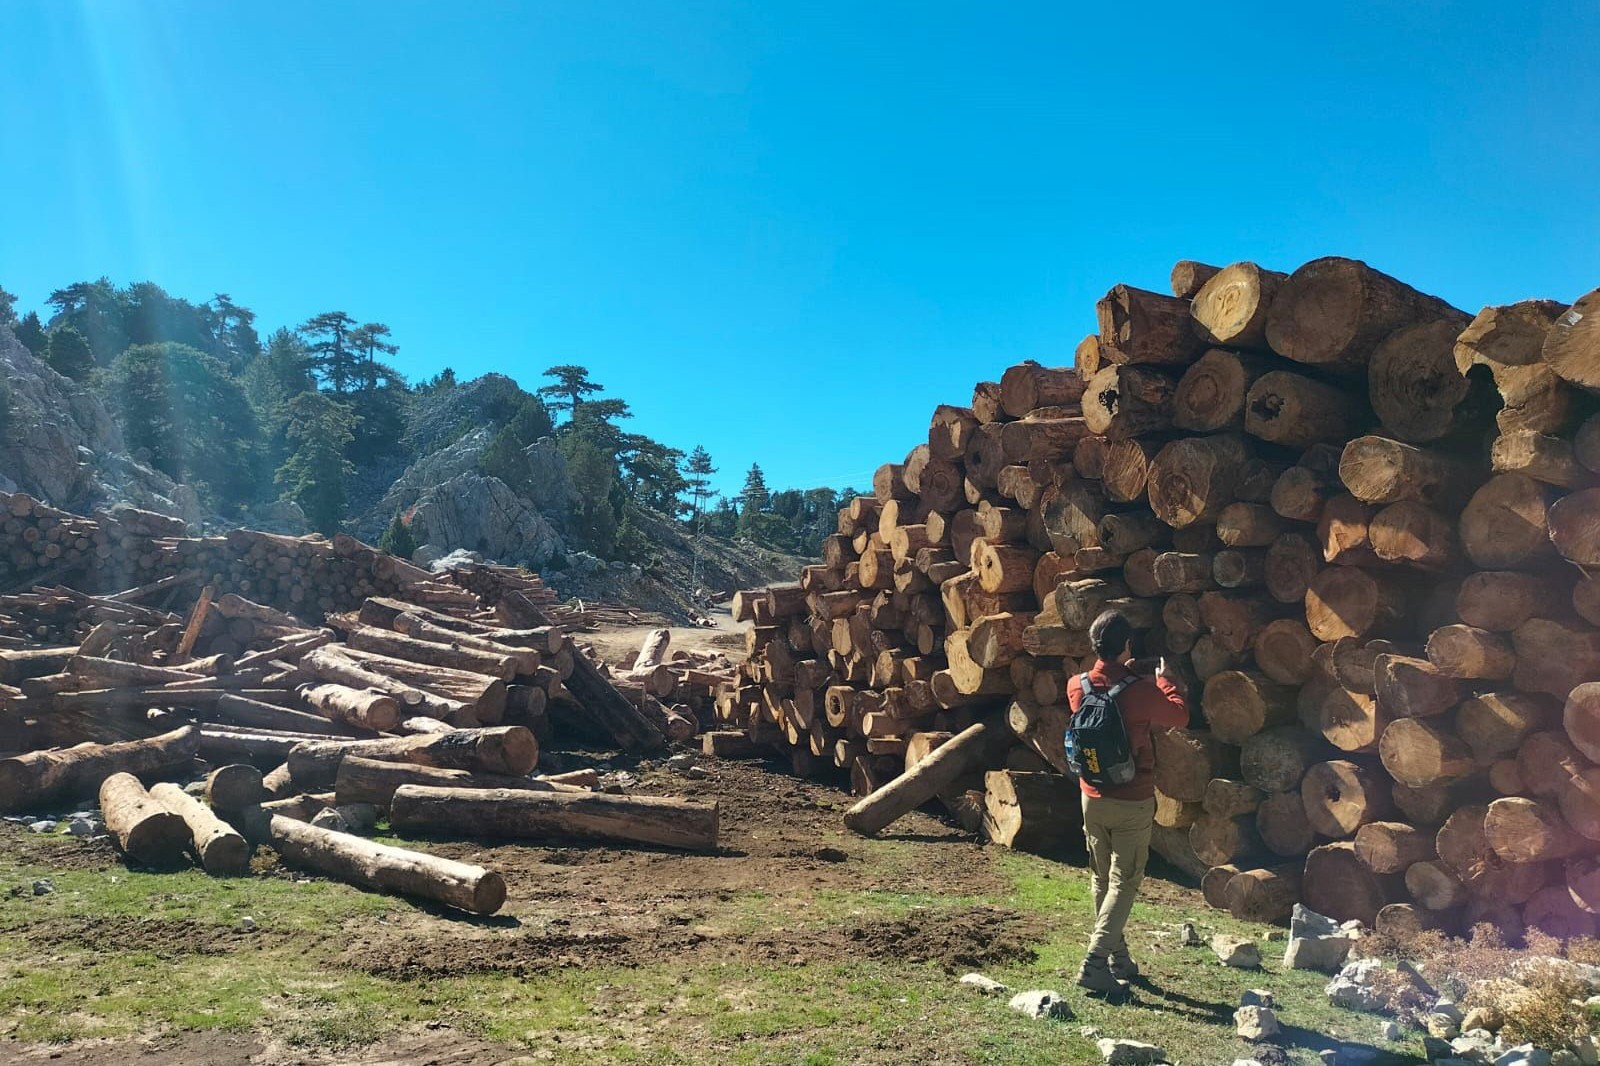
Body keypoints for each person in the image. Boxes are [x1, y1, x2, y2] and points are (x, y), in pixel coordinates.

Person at [1067, 608, 1188, 995]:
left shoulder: (1076, 686)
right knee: (1126, 880)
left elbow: (1103, 697)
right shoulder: (1140, 690)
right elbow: (1179, 716)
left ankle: (1119, 959)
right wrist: (1166, 681)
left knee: (1101, 878)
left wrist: (1124, 668)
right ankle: (1095, 961)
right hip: (1132, 798)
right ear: (1128, 645)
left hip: (1091, 795)